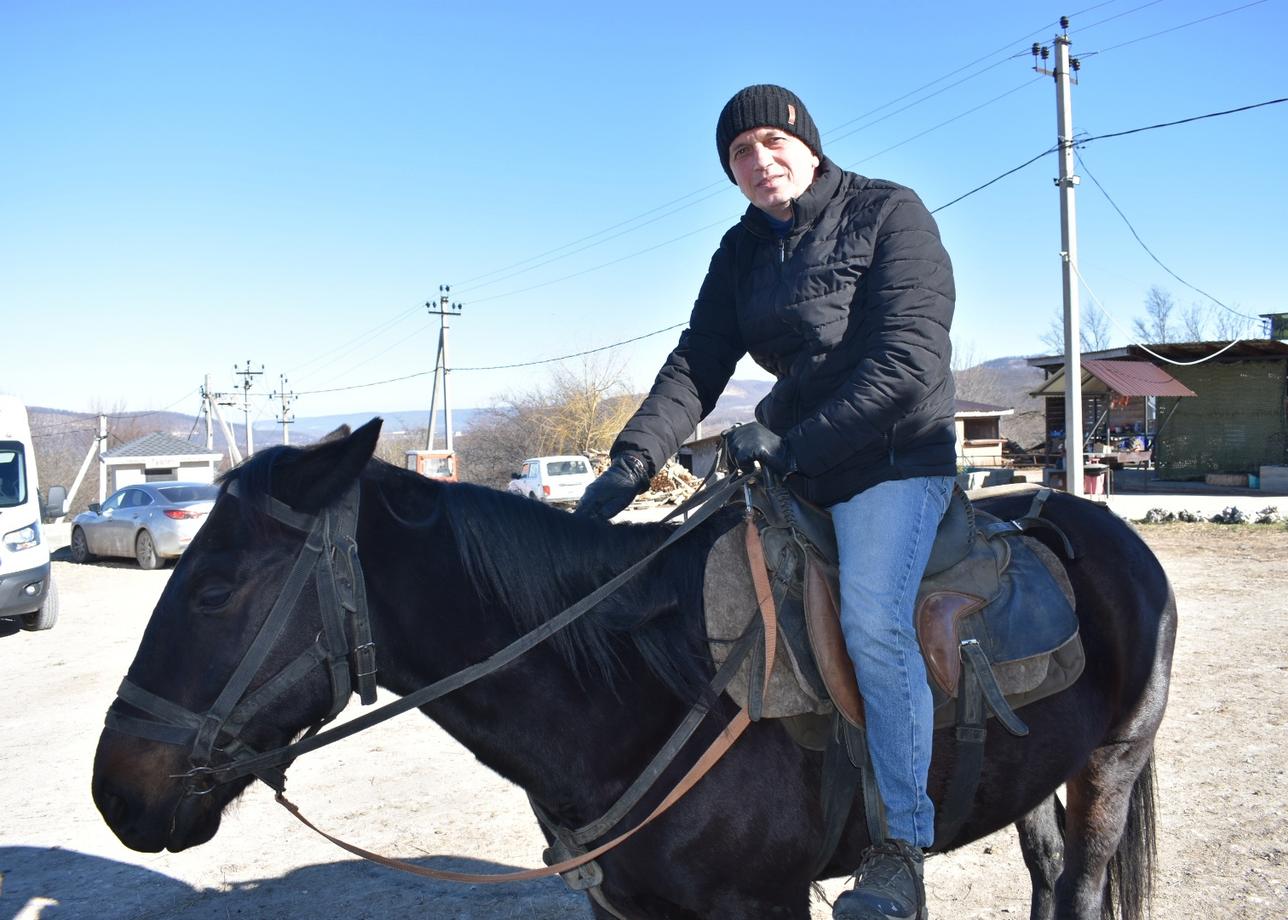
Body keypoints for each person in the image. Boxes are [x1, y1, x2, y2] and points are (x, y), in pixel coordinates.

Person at [576, 84, 956, 920]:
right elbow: (697, 361)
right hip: (796, 460)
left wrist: (789, 443)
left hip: (894, 459)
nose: (758, 162)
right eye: (739, 154)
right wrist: (631, 463)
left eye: (771, 143)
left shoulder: (890, 212)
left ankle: (901, 851)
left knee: (871, 624)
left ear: (808, 145)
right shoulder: (740, 249)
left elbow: (907, 360)